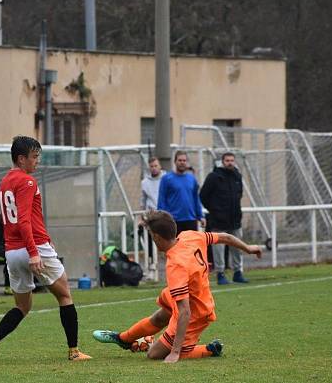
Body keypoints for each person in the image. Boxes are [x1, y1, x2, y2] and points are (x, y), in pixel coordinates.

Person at [0, 135, 91, 363]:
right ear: (21, 158)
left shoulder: (6, 181)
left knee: (22, 306)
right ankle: (74, 351)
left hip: (13, 252)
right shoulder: (27, 182)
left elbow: (22, 219)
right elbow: (24, 220)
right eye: (34, 157)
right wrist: (35, 251)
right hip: (31, 247)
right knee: (65, 295)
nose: (37, 161)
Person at [93, 210, 261, 362]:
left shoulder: (176, 266)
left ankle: (209, 349)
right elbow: (225, 236)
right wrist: (248, 248)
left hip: (196, 311)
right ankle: (124, 339)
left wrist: (174, 352)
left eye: (151, 236)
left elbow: (185, 312)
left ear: (157, 238)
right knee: (159, 317)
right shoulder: (190, 236)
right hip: (188, 295)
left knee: (153, 354)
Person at [200, 152, 247, 285]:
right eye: (227, 160)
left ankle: (238, 272)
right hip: (218, 221)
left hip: (235, 220)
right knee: (219, 250)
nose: (230, 163)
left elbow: (239, 195)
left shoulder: (237, 176)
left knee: (237, 247)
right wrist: (214, 210)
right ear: (222, 161)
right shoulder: (214, 177)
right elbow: (203, 196)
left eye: (232, 160)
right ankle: (220, 273)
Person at [157, 151, 203, 235]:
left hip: (190, 220)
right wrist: (162, 218)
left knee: (191, 247)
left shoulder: (192, 179)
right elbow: (162, 199)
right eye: (180, 160)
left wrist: (201, 216)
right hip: (173, 221)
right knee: (175, 247)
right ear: (175, 162)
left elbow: (196, 199)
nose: (182, 162)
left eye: (184, 160)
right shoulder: (166, 179)